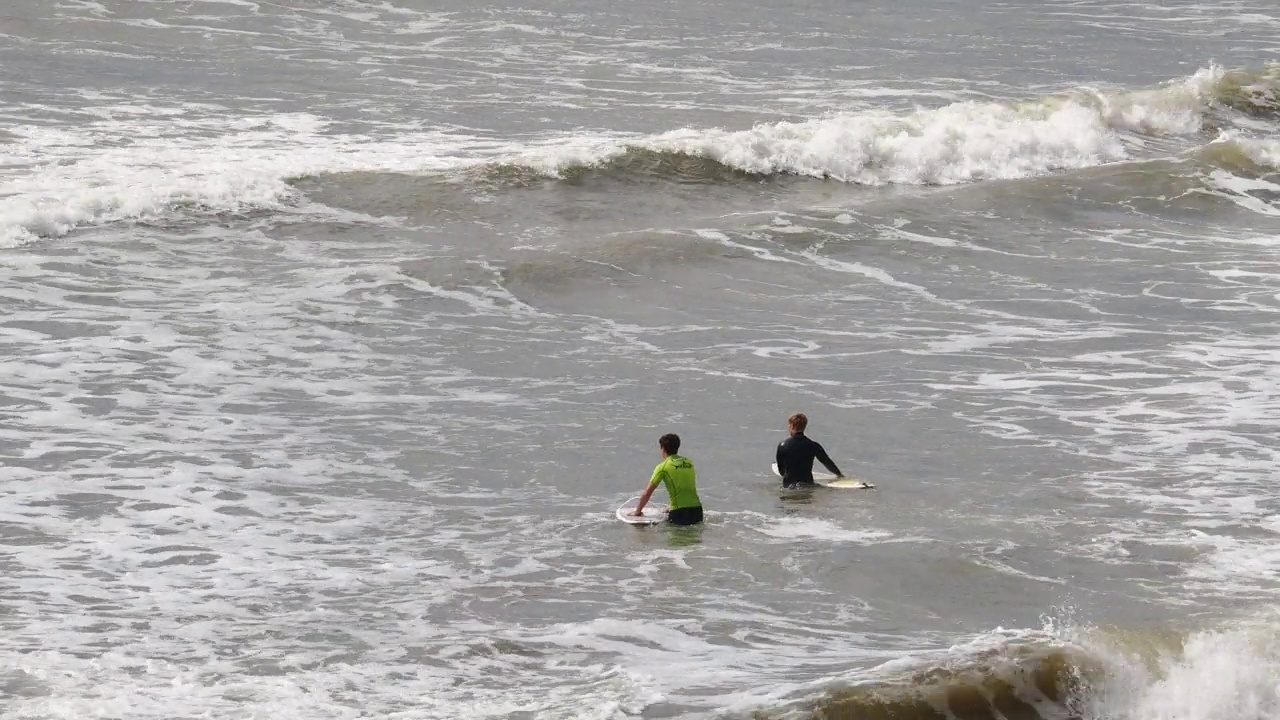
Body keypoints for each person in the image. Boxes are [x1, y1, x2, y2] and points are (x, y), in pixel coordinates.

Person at [631, 433, 704, 525]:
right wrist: (670, 506)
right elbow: (685, 487)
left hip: (679, 513)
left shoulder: (663, 467)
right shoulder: (689, 462)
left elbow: (647, 493)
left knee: (677, 538)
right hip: (697, 510)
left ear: (663, 448)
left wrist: (637, 512)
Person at [775, 413, 843, 487]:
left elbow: (781, 471)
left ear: (792, 426)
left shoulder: (783, 445)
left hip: (789, 486)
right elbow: (827, 463)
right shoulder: (813, 445)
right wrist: (840, 475)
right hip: (807, 484)